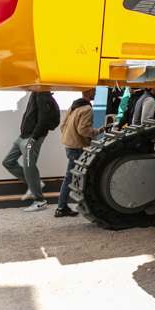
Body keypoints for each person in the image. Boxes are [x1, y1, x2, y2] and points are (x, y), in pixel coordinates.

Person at [2, 91, 60, 212]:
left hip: (32, 137)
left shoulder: (42, 94)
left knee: (29, 166)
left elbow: (44, 118)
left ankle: (40, 201)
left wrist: (34, 136)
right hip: (23, 136)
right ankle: (35, 184)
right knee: (8, 162)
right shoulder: (36, 93)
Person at [56, 89, 102, 218]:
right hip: (78, 147)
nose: (96, 93)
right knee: (72, 178)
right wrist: (97, 131)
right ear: (90, 92)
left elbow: (62, 126)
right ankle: (61, 207)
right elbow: (83, 130)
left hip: (69, 145)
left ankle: (64, 207)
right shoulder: (87, 109)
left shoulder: (74, 106)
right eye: (95, 91)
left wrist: (70, 136)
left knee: (72, 177)